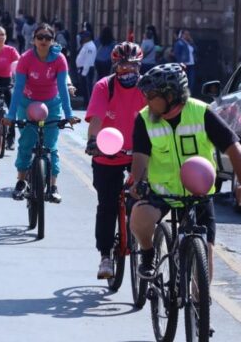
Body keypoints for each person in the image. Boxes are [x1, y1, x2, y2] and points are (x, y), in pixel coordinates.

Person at [129, 64, 241, 286]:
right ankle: (149, 253)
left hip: (199, 193)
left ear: (170, 95)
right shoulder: (144, 119)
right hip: (162, 191)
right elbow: (140, 156)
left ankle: (200, 312)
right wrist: (138, 182)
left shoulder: (202, 112)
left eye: (151, 96)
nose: (147, 101)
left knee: (204, 270)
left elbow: (233, 147)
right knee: (138, 217)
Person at [84, 42, 146, 279]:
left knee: (144, 197)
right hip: (108, 153)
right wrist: (93, 142)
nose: (127, 70)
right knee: (107, 204)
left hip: (139, 153)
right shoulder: (104, 87)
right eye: (122, 66)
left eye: (132, 66)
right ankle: (105, 256)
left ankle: (144, 245)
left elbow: (155, 118)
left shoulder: (145, 88)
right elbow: (96, 119)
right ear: (115, 67)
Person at [5, 23, 79, 203]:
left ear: (53, 41)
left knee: (51, 145)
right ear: (34, 40)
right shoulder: (26, 59)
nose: (44, 41)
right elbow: (18, 88)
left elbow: (62, 88)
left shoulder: (59, 59)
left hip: (52, 105)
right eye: (40, 37)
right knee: (26, 143)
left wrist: (68, 115)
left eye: (48, 38)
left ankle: (53, 186)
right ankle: (21, 182)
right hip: (27, 103)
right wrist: (11, 115)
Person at [75, 31, 98, 103]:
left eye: (84, 37)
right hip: (84, 69)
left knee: (87, 89)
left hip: (87, 69)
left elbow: (88, 60)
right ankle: (86, 103)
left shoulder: (90, 46)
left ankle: (88, 104)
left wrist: (84, 72)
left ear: (88, 37)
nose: (83, 38)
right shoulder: (86, 45)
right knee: (84, 88)